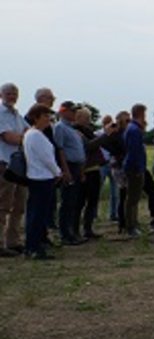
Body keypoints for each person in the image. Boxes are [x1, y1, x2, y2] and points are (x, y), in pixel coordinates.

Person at [22, 104, 60, 260]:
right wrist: (57, 172)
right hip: (42, 178)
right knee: (38, 214)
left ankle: (32, 246)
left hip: (37, 177)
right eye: (45, 116)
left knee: (35, 213)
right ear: (36, 117)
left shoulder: (31, 134)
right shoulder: (36, 135)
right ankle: (34, 247)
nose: (48, 119)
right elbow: (47, 158)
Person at [53, 103, 88, 245]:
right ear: (63, 111)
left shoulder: (72, 128)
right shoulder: (60, 127)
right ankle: (65, 234)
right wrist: (65, 170)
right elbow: (60, 149)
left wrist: (81, 171)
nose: (75, 113)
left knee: (74, 201)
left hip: (76, 167)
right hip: (69, 166)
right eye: (72, 111)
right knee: (67, 201)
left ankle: (71, 231)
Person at [0, 83, 28, 257]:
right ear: (1, 95)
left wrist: (25, 137)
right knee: (3, 205)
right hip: (4, 164)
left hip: (19, 166)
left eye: (14, 93)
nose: (12, 96)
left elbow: (28, 133)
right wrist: (27, 139)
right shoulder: (0, 114)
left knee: (19, 205)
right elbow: (9, 137)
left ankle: (13, 241)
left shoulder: (17, 115)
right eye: (9, 93)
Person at [78, 108, 114, 239]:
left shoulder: (87, 131)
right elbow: (89, 146)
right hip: (86, 169)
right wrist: (105, 135)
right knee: (82, 201)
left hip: (94, 168)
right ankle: (80, 229)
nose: (88, 120)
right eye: (86, 118)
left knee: (92, 200)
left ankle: (88, 228)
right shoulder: (78, 131)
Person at [121, 105, 149, 236]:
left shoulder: (132, 129)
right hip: (134, 168)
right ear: (140, 113)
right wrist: (138, 168)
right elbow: (134, 152)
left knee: (134, 198)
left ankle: (134, 224)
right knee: (132, 198)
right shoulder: (134, 130)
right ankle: (130, 226)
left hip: (133, 166)